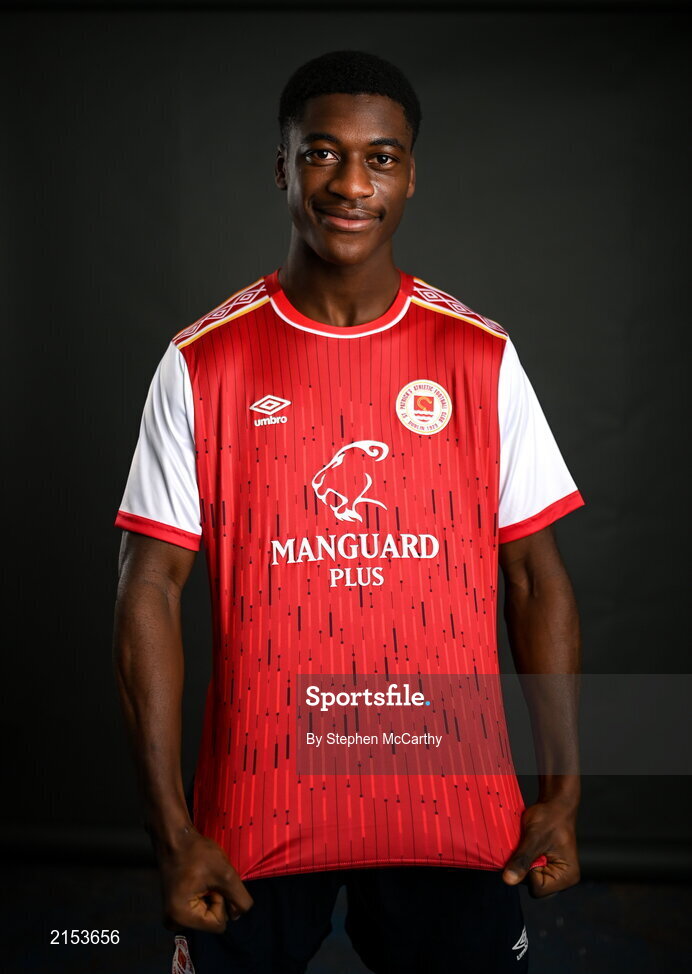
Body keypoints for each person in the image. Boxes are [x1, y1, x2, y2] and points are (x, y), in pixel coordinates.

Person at [113, 49, 584, 974]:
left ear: (411, 175)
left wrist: (563, 792)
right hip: (255, 811)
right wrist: (171, 830)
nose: (351, 184)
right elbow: (147, 591)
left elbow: (535, 577)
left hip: (449, 806)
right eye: (323, 154)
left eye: (381, 158)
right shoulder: (203, 362)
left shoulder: (479, 357)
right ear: (284, 166)